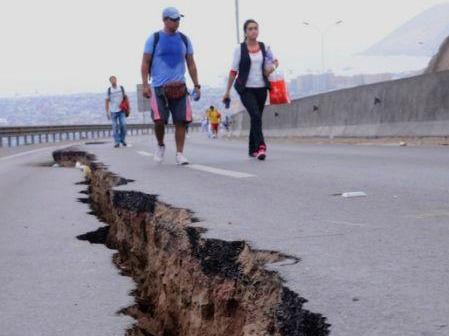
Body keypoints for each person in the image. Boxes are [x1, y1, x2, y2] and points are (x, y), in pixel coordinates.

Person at [141, 7, 201, 165]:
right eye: (173, 19)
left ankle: (180, 153)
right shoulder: (154, 38)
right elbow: (145, 62)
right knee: (159, 120)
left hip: (180, 87)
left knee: (180, 121)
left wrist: (197, 85)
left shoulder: (184, 40)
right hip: (159, 88)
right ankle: (160, 145)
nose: (177, 22)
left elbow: (191, 64)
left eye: (178, 19)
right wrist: (145, 85)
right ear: (165, 20)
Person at [223, 19, 278, 160]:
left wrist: (271, 69)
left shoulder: (264, 47)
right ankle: (261, 147)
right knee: (255, 115)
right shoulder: (239, 49)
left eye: (256, 28)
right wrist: (227, 91)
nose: (254, 31)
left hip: (261, 88)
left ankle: (251, 149)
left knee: (256, 118)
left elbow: (275, 61)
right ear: (245, 32)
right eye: (250, 29)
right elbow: (233, 71)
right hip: (246, 89)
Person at [105, 76, 129, 148]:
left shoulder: (121, 88)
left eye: (114, 79)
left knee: (123, 125)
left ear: (116, 80)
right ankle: (117, 142)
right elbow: (106, 101)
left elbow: (126, 98)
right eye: (111, 80)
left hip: (121, 110)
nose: (113, 81)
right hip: (113, 111)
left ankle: (122, 139)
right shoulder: (109, 90)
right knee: (115, 126)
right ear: (110, 82)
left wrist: (128, 108)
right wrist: (107, 112)